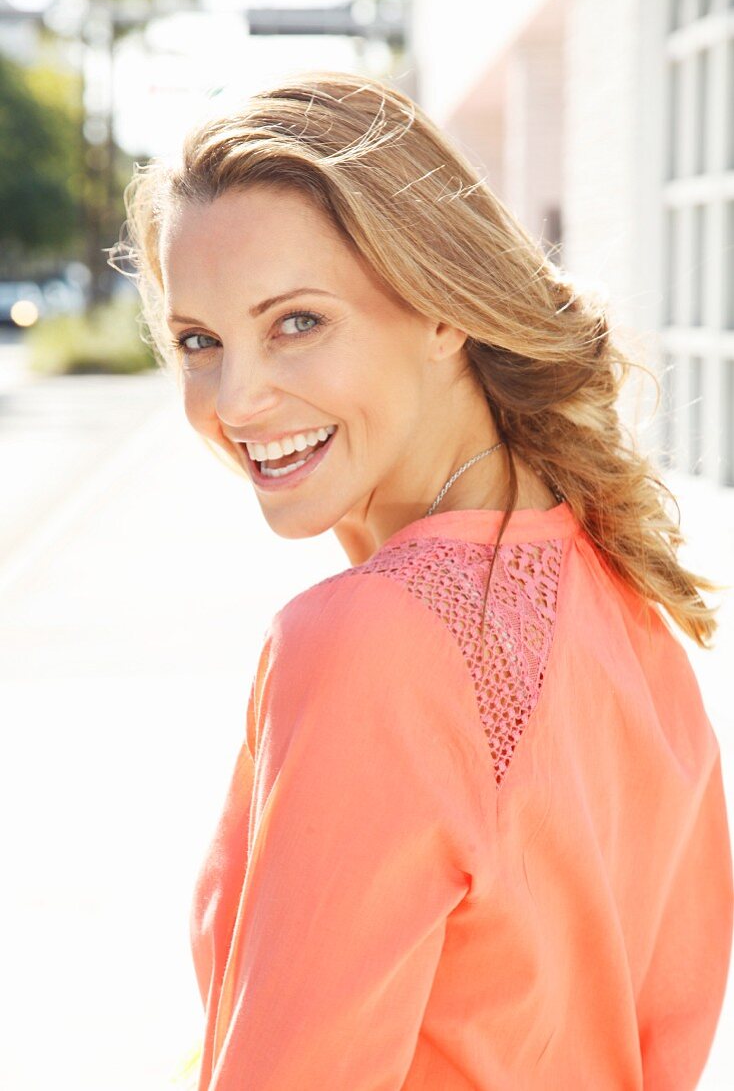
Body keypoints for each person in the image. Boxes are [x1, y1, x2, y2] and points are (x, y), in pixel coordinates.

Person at [111, 70, 733, 1090]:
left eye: (297, 321)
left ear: (443, 309)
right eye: (198, 341)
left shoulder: (372, 644)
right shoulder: (624, 594)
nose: (238, 397)